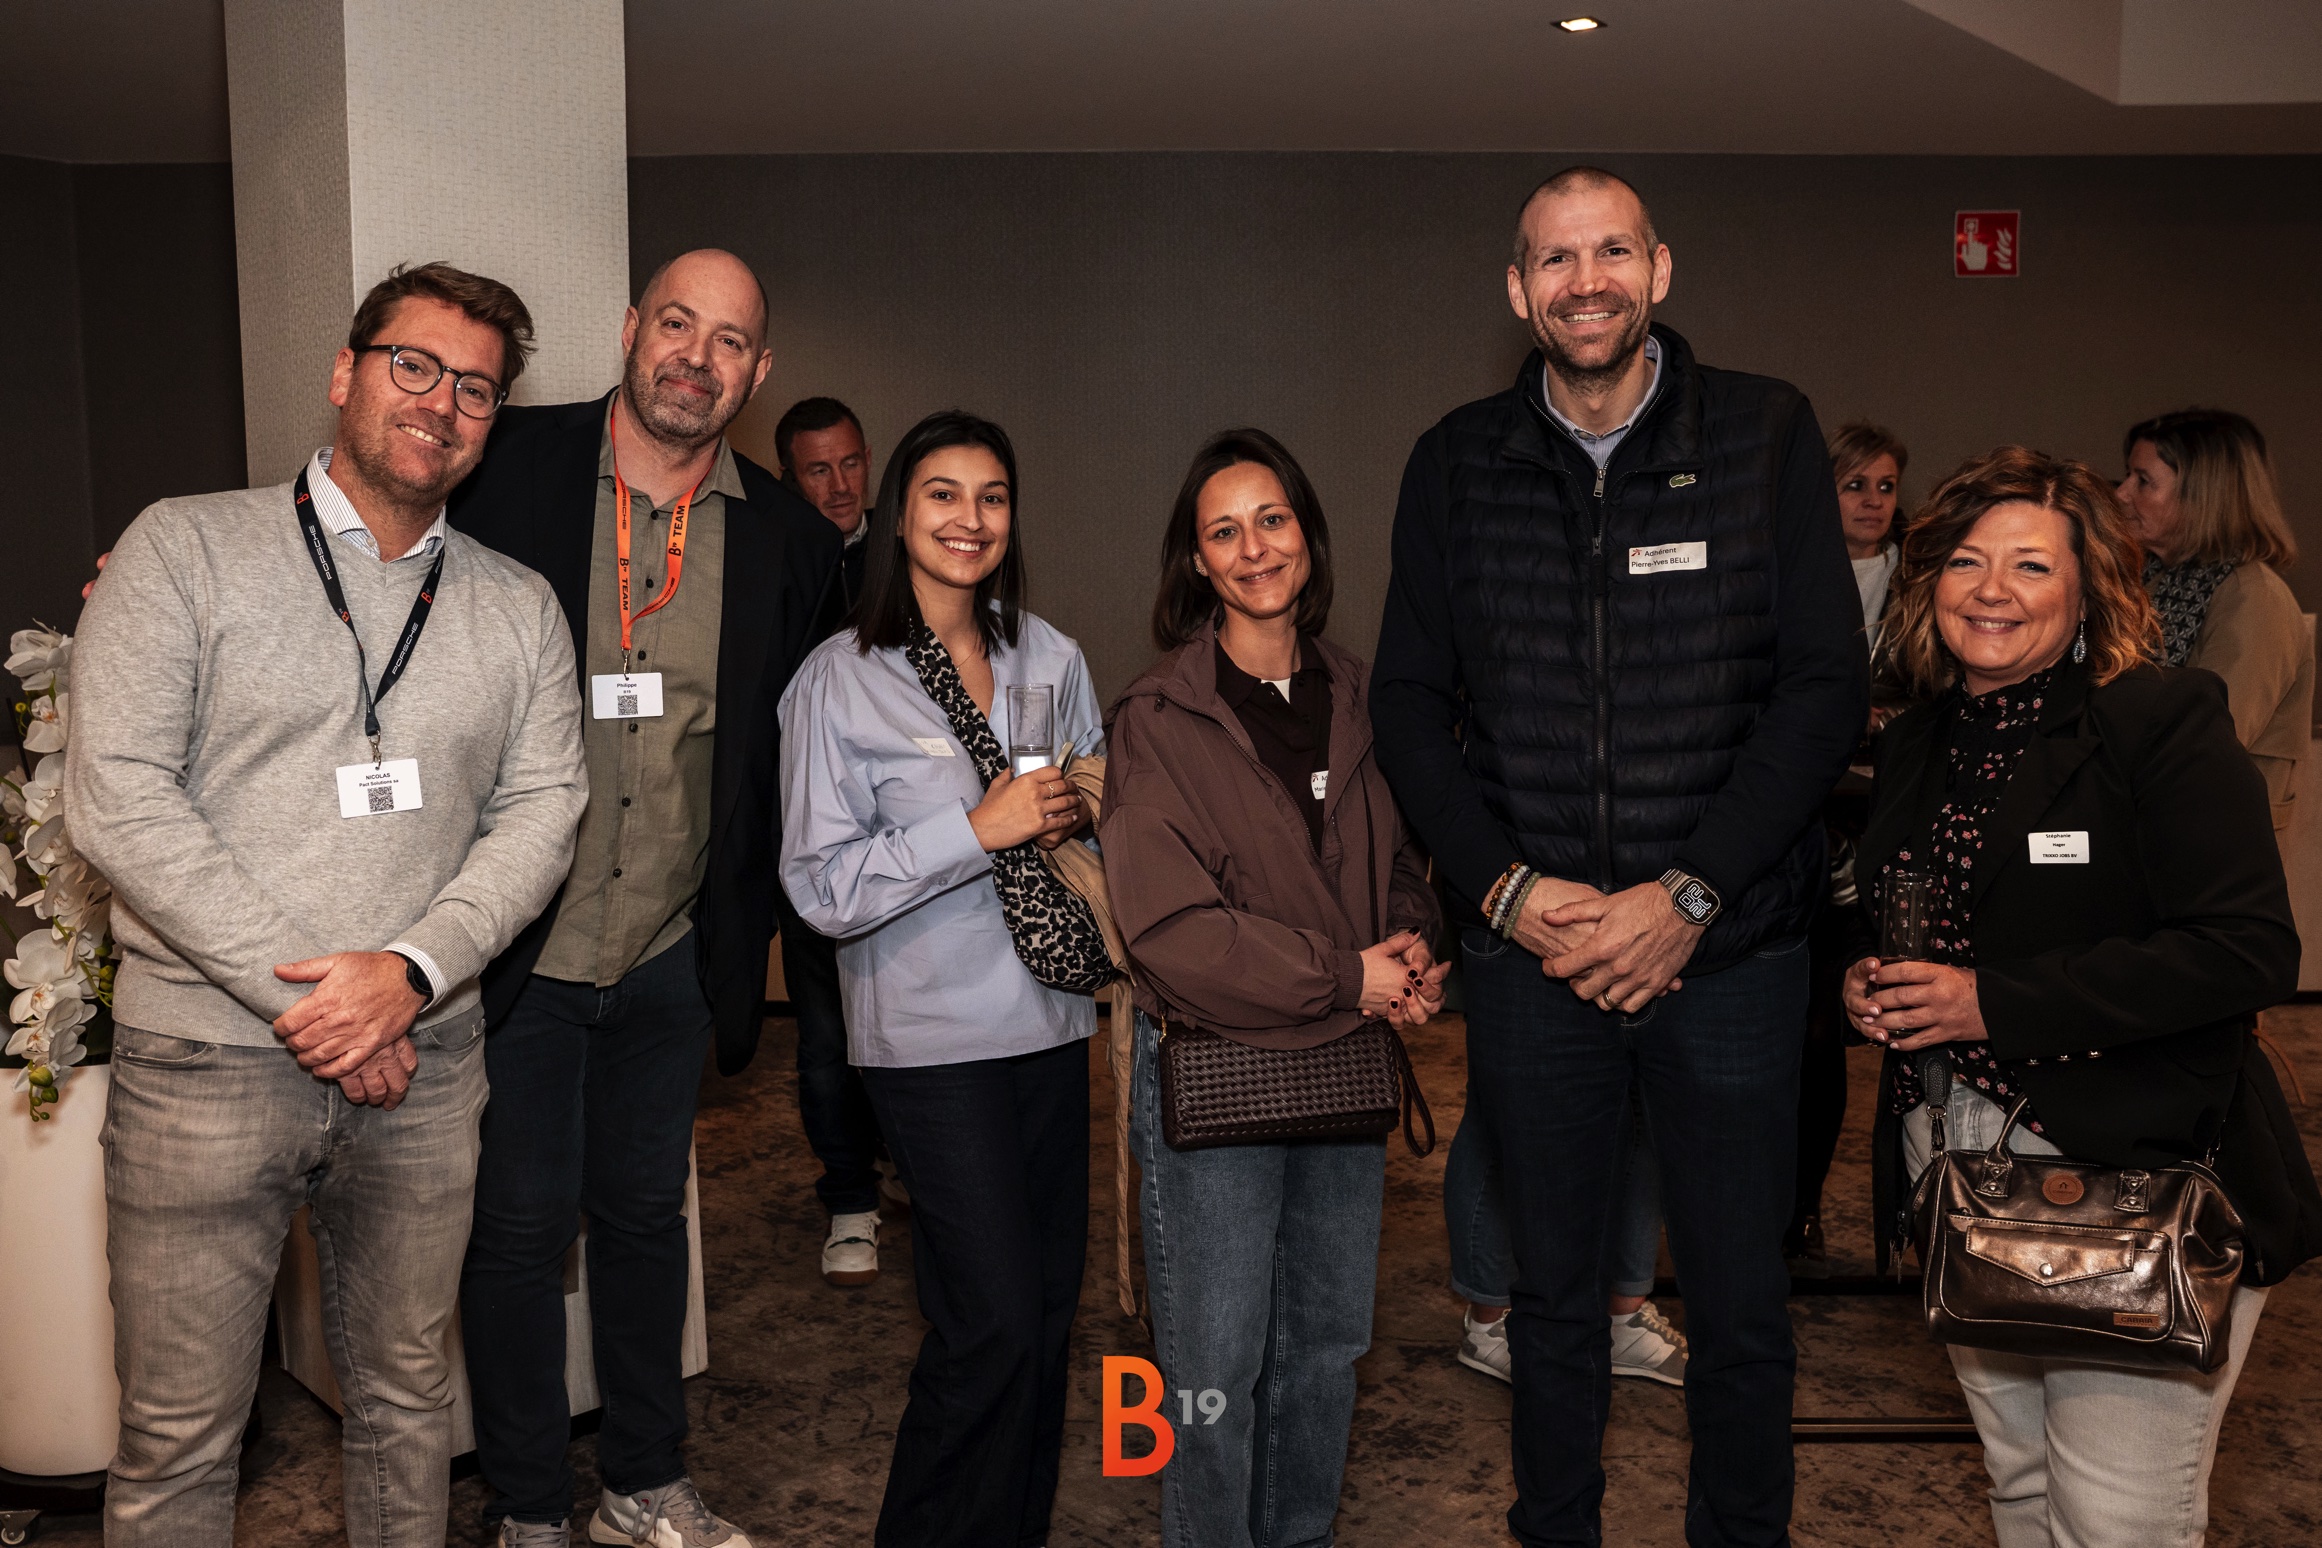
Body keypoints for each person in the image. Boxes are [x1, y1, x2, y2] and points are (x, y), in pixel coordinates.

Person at [1371, 167, 1865, 1548]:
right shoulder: (1455, 461)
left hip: (1732, 956)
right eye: (1554, 258)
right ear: (1515, 289)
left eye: (1610, 252)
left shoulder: (1766, 432)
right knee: (1551, 1300)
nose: (1584, 281)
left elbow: (1822, 689)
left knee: (1739, 1301)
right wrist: (1508, 893)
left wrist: (1687, 896)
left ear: (1659, 270)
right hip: (1535, 963)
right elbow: (1406, 704)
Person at [66, 263, 587, 1547]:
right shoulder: (181, 546)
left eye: (477, 388)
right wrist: (328, 1003)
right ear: (346, 372)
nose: (442, 402)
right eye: (415, 365)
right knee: (180, 1438)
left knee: (409, 1406)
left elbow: (543, 814)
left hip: (427, 1060)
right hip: (206, 1063)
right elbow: (118, 796)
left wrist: (405, 978)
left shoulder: (519, 607)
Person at [1844, 446, 2322, 1548]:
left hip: (2128, 1168)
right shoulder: (1919, 739)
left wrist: (1992, 1003)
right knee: (2019, 1484)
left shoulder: (2158, 719)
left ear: (2088, 589)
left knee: (2117, 1521)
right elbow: (1918, 913)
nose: (1992, 590)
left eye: (2030, 566)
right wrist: (1866, 976)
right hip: (1956, 1153)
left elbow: (2247, 948)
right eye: (1966, 561)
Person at [449, 249, 842, 1548]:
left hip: (672, 953)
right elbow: (369, 543)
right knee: (515, 1237)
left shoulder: (787, 539)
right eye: (677, 323)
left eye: (728, 340)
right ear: (631, 329)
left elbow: (802, 736)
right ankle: (527, 1509)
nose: (695, 357)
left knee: (642, 1224)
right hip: (517, 946)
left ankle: (642, 1483)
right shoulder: (509, 466)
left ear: (757, 370)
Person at [1098, 429, 1448, 1545]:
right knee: (1210, 1373)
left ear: (1308, 534)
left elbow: (1404, 858)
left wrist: (1413, 943)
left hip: (1344, 1072)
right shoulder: (1158, 717)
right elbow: (1169, 931)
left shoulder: (1365, 693)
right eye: (1224, 531)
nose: (1254, 549)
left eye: (1272, 520)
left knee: (1326, 1352)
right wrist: (1350, 973)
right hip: (1220, 1075)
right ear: (1196, 562)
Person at [779, 410, 1105, 1548]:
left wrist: (1080, 813)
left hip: (1052, 1022)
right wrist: (976, 830)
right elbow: (818, 887)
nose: (971, 519)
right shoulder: (839, 682)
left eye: (992, 497)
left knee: (1046, 1318)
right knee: (990, 1323)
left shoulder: (1051, 657)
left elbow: (1097, 812)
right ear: (898, 517)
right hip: (930, 1041)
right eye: (943, 495)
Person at [771, 393, 902, 1286]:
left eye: (851, 462)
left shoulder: (907, 553)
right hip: (815, 841)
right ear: (791, 478)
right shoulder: (776, 562)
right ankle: (850, 1198)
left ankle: (907, 1163)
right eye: (818, 469)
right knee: (825, 1038)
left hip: (914, 842)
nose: (840, 484)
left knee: (907, 1024)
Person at [1786, 421, 1911, 1277]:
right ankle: (1783, 1208)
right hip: (1804, 826)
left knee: (1851, 1028)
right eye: (1854, 485)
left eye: (1886, 486)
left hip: (1886, 828)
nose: (1872, 502)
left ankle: (1831, 1213)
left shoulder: (1925, 586)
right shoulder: (1789, 572)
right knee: (1802, 1030)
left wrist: (1881, 720)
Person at [2119, 408, 2311, 835]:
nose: (2122, 494)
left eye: (2143, 480)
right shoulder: (2151, 576)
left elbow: (2212, 737)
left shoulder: (2253, 597)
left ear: (2203, 497)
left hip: (2213, 838)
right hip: (2155, 822)